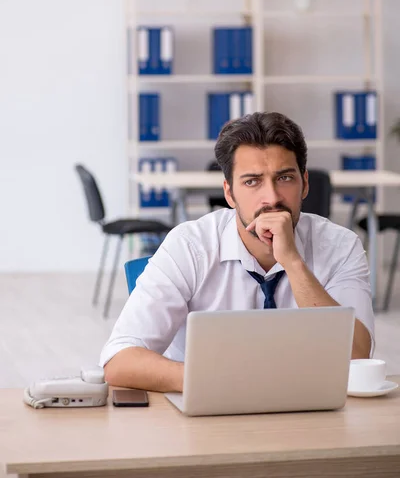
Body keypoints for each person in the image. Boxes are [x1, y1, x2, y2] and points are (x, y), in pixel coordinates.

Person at [100, 112, 374, 392]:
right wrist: (220, 381)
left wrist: (293, 262)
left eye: (285, 178)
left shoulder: (340, 246)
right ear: (229, 194)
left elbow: (356, 358)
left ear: (304, 183)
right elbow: (119, 361)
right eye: (252, 182)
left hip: (308, 410)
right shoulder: (190, 246)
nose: (272, 198)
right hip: (206, 408)